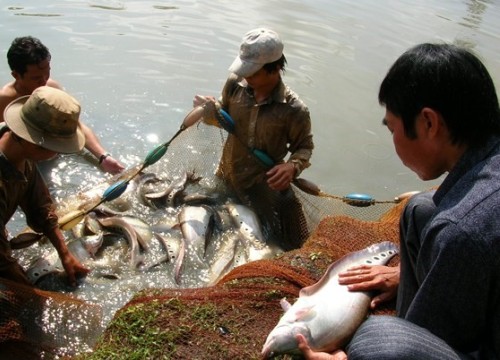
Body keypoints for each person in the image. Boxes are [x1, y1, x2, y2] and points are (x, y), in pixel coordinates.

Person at [296, 43, 500, 359]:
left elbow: (467, 232)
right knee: (419, 209)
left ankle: (408, 338)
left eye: (392, 128)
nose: (393, 140)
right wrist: (406, 272)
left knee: (378, 342)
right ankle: (416, 326)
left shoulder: (460, 230)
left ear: (429, 123)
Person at [193, 28, 314, 250]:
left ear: (276, 68)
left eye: (253, 73)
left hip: (263, 189)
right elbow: (221, 118)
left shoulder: (295, 109)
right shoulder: (235, 84)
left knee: (272, 243)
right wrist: (209, 111)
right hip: (227, 175)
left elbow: (304, 147)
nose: (247, 77)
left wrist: (292, 166)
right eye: (244, 69)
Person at [0, 86, 90, 287]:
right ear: (32, 143)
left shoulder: (21, 153)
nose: (57, 154)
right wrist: (27, 292)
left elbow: (41, 209)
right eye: (55, 149)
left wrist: (65, 253)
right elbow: (2, 261)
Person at [0, 36, 124, 175]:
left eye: (47, 72)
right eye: (36, 78)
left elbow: (76, 125)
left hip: (56, 152)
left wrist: (103, 156)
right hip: (29, 162)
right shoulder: (5, 100)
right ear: (16, 75)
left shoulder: (51, 88)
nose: (44, 81)